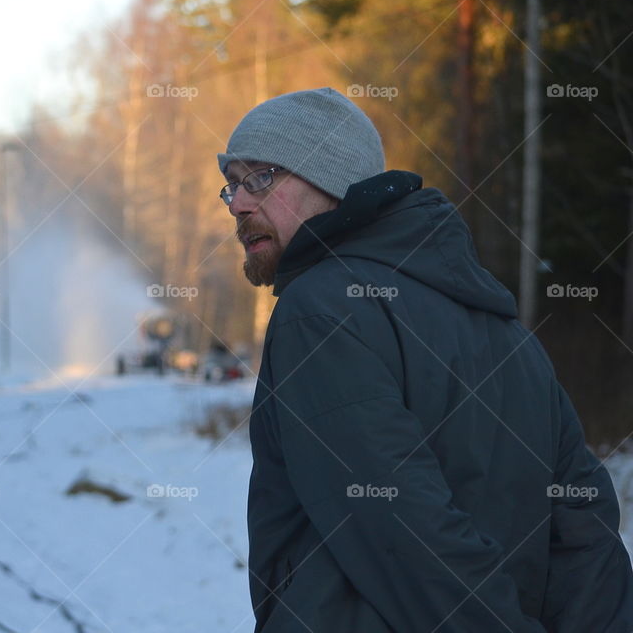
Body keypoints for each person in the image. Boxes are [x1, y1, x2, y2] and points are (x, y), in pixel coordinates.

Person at [218, 88, 633, 632]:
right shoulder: (503, 326)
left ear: (330, 180)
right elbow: (584, 528)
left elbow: (404, 532)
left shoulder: (319, 311)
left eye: (261, 178)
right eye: (231, 187)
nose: (240, 204)